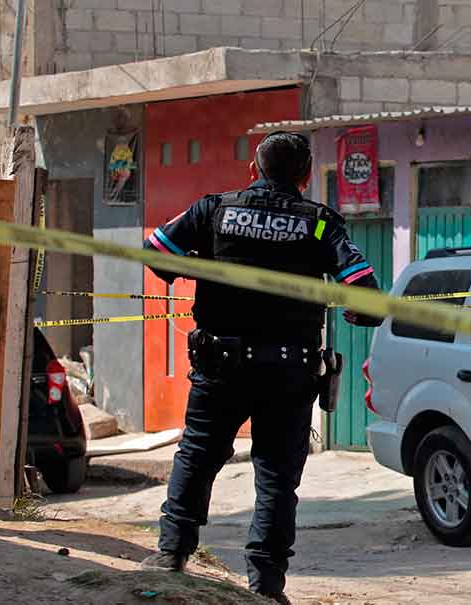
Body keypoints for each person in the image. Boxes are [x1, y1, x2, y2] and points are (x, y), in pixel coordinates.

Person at [138, 131, 382, 604]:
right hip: (288, 375)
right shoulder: (318, 224)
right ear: (306, 177)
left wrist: (202, 266)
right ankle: (267, 586)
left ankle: (172, 553)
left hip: (220, 366)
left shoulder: (216, 210)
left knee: (198, 456)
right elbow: (364, 289)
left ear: (254, 170)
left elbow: (156, 254)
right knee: (275, 479)